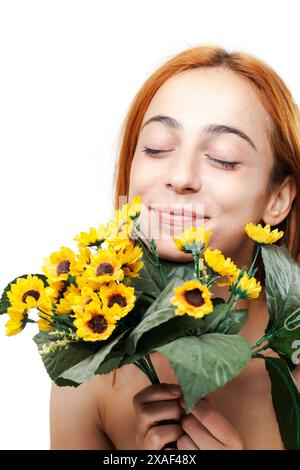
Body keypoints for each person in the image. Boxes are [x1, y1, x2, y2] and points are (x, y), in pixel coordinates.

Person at [50, 44, 300, 450]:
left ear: (278, 199)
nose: (181, 175)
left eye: (223, 158)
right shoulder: (88, 370)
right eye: (157, 148)